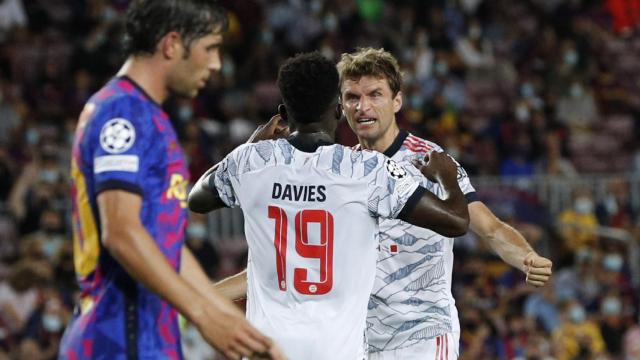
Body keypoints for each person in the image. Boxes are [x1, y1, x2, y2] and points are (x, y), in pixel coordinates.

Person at [188, 52, 470, 360]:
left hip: (266, 350)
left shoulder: (251, 162)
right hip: (337, 350)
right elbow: (456, 221)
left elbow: (197, 199)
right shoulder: (366, 171)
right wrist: (448, 179)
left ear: (283, 111)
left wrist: (250, 145)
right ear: (337, 110)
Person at [60, 1, 283, 359]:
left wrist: (231, 323)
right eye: (210, 48)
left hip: (149, 338)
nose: (216, 63)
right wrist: (204, 314)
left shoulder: (150, 117)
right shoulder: (124, 113)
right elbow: (121, 231)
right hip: (116, 339)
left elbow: (168, 246)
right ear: (172, 44)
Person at [336, 47, 553, 359]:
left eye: (374, 94)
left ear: (397, 101)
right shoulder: (339, 168)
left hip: (422, 335)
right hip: (359, 338)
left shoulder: (430, 160)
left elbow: (490, 228)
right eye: (352, 97)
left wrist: (527, 258)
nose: (363, 106)